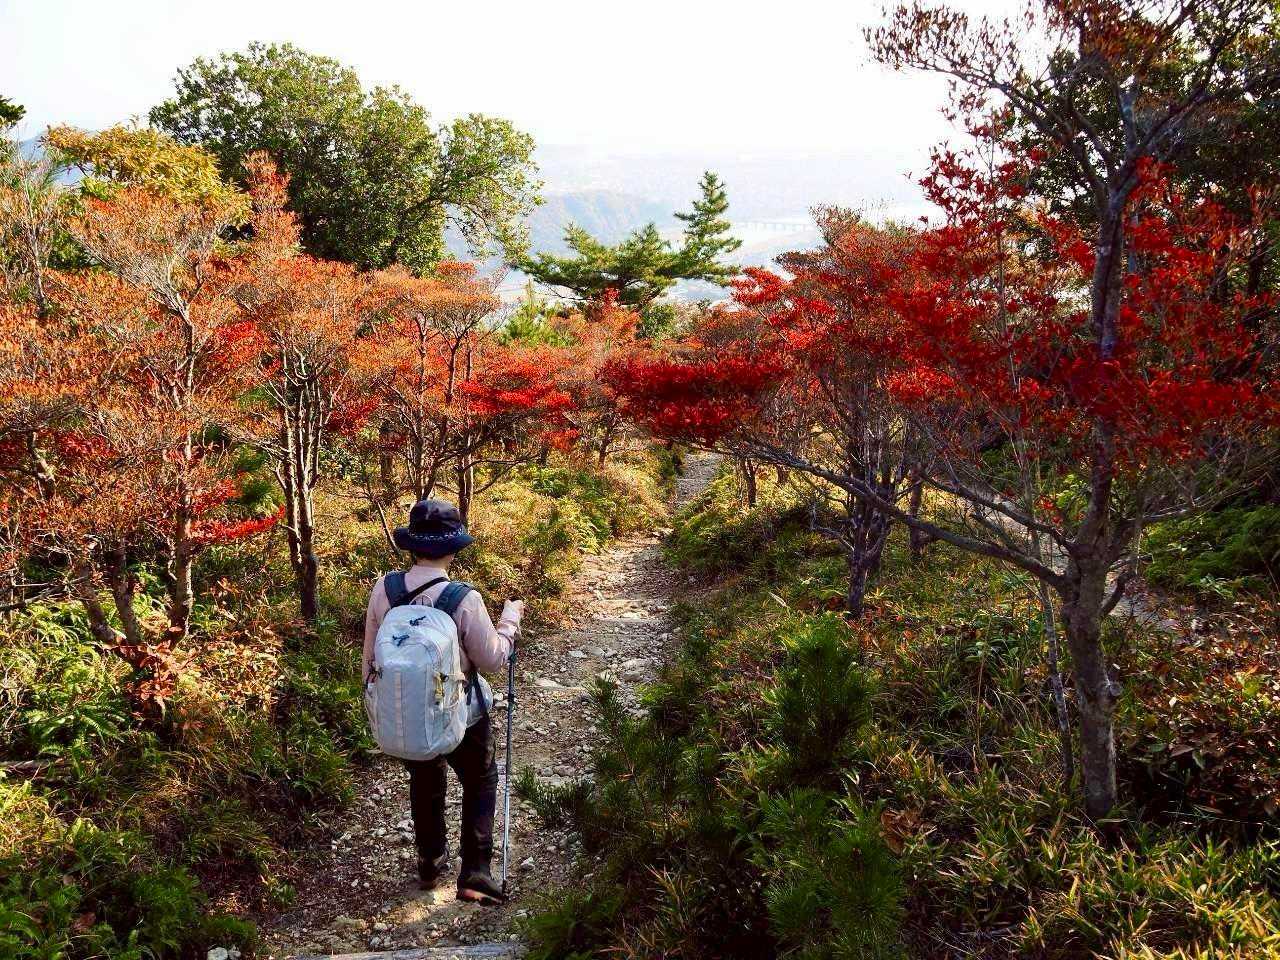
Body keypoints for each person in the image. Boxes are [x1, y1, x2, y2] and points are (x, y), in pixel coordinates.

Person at [363, 498, 523, 904]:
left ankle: (430, 859)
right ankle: (476, 873)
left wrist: (379, 707)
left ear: (411, 545)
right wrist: (510, 621)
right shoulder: (462, 598)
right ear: (453, 549)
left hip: (407, 711)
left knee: (425, 778)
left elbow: (370, 661)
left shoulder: (385, 590)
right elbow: (492, 659)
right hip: (461, 714)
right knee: (480, 779)